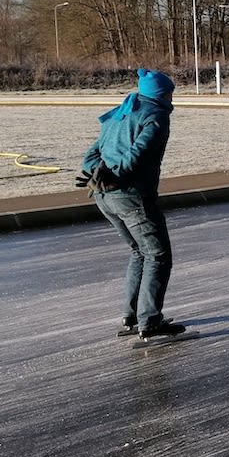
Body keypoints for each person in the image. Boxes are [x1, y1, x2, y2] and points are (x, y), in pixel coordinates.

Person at [78, 68, 186, 341]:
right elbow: (139, 152)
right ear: (161, 94)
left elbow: (91, 154)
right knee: (158, 256)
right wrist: (114, 176)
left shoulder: (121, 112)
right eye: (170, 93)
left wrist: (98, 175)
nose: (172, 99)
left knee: (140, 252)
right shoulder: (155, 115)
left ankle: (131, 316)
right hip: (131, 196)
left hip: (105, 197)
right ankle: (149, 321)